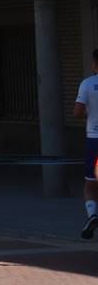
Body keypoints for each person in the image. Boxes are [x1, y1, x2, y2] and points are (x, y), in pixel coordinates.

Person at [74, 49, 98, 239]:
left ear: (95, 64)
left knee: (91, 184)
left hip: (94, 139)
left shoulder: (87, 84)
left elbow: (78, 112)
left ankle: (92, 215)